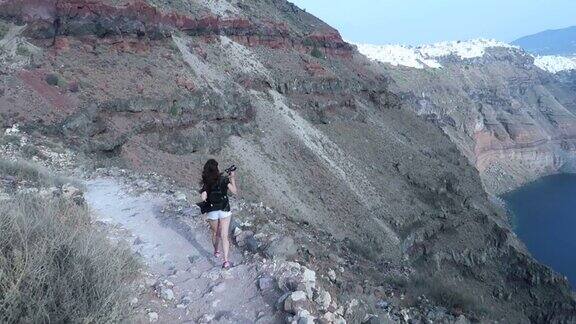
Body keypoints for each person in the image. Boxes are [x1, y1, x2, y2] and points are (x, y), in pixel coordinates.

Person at [199, 159, 237, 269]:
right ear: (217, 168)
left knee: (215, 233)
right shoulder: (224, 179)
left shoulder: (206, 182)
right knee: (225, 236)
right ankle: (225, 261)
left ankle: (216, 251)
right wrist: (232, 177)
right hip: (224, 209)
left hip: (212, 211)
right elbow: (234, 191)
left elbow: (203, 197)